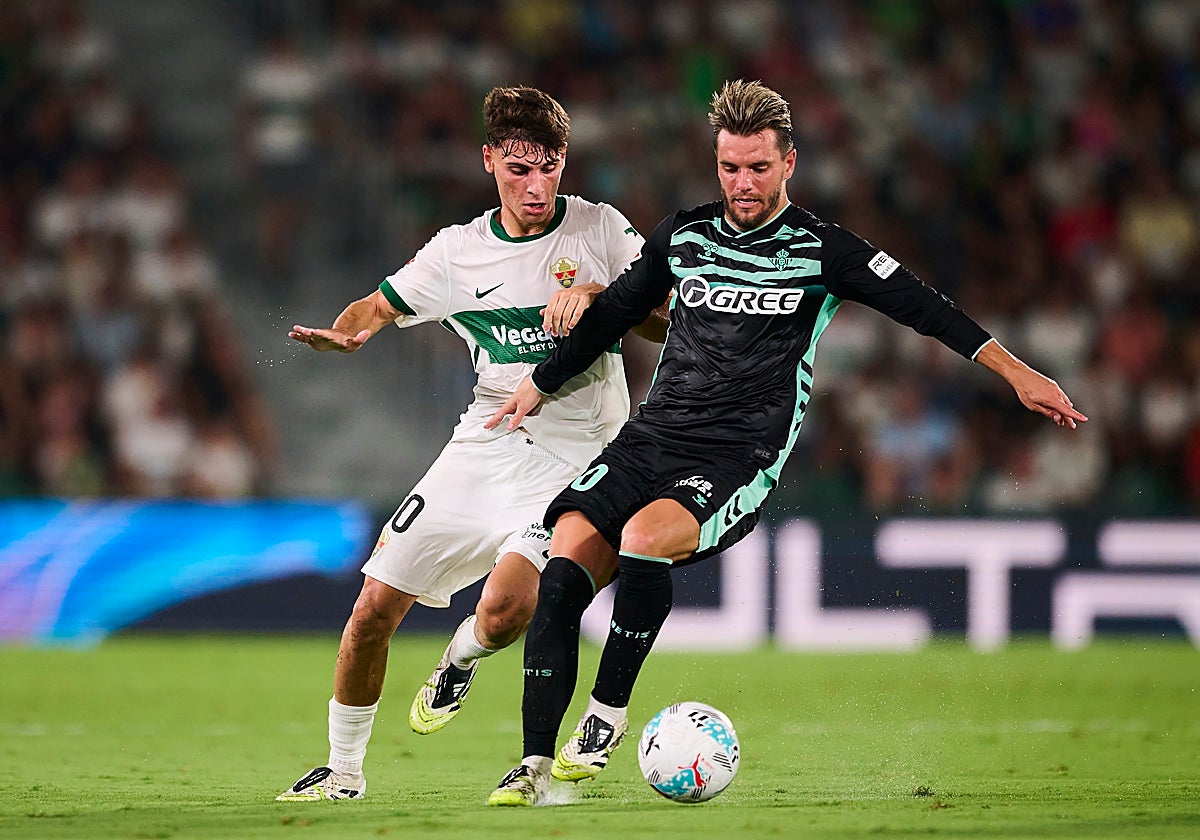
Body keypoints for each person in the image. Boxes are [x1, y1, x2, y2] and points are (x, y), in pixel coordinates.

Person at [483, 79, 1088, 806]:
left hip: (737, 455)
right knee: (562, 563)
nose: (742, 183)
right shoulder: (683, 235)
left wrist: (1017, 373)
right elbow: (614, 313)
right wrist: (541, 383)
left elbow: (930, 311)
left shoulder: (824, 251)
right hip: (651, 438)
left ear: (789, 164)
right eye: (730, 168)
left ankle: (606, 718)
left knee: (643, 539)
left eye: (758, 168)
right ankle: (534, 767)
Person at [276, 86, 664, 801]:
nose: (536, 184)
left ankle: (462, 655)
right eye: (519, 169)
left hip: (576, 456)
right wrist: (350, 331)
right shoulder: (459, 252)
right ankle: (343, 772)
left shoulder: (600, 229)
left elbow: (666, 319)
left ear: (563, 162)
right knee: (369, 614)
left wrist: (606, 295)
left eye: (548, 166)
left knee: (504, 610)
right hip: (486, 441)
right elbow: (377, 306)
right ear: (489, 162)